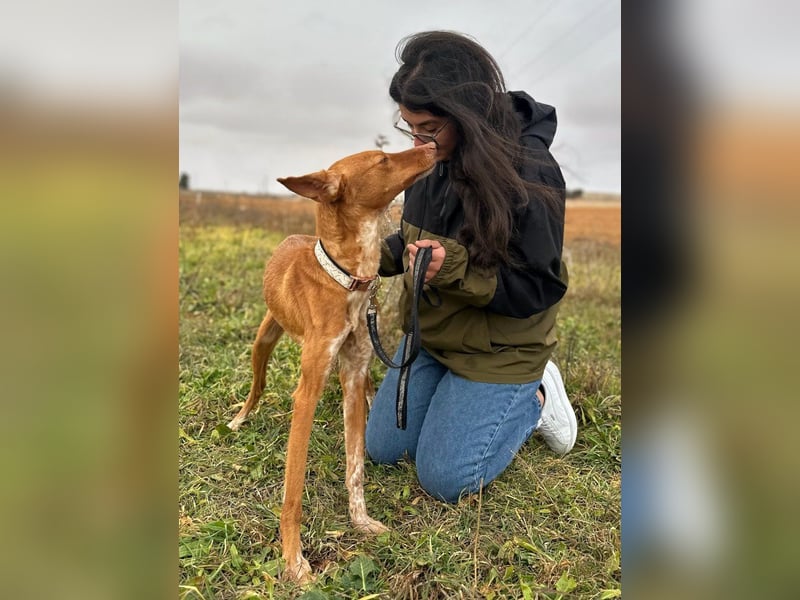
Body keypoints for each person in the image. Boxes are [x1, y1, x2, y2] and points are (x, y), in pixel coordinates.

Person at [365, 31, 577, 503]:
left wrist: (455, 269)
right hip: (433, 336)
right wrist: (363, 258)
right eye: (409, 128)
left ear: (467, 115)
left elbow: (538, 288)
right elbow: (414, 239)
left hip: (500, 346)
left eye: (428, 129)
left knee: (444, 478)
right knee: (383, 450)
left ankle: (538, 398)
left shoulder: (531, 173)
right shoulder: (431, 159)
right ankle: (453, 392)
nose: (417, 144)